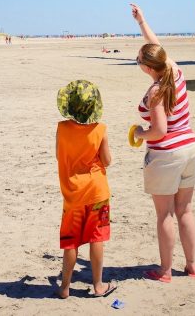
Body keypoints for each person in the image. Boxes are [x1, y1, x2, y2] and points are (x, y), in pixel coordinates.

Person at [129, 4, 195, 282]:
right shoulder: (175, 70)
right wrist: (142, 21)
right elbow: (155, 45)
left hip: (168, 154)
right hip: (192, 149)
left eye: (138, 61)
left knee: (165, 215)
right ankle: (192, 265)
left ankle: (165, 271)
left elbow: (159, 130)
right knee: (185, 210)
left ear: (148, 68)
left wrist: (139, 133)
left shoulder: (156, 91)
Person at [55, 80, 116, 299]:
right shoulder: (100, 129)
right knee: (96, 237)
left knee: (71, 241)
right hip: (97, 191)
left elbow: (59, 155)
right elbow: (107, 161)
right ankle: (98, 285)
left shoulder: (62, 129)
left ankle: (64, 287)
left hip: (72, 193)